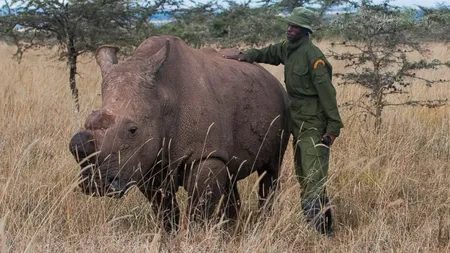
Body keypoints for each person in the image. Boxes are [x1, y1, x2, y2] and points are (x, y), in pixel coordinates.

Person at [223, 7, 343, 236]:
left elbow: (328, 95)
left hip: (313, 119)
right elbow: (267, 53)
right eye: (289, 25)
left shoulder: (314, 57)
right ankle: (320, 226)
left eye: (295, 27)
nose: (289, 29)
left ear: (305, 31)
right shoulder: (288, 49)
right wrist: (243, 56)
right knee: (302, 171)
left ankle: (321, 232)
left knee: (312, 174)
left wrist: (333, 127)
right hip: (294, 116)